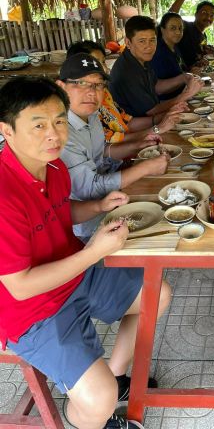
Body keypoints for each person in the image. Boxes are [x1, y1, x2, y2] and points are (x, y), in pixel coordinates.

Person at [0, 76, 171, 429]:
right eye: (39, 125)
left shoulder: (52, 166)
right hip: (31, 311)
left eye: (60, 121)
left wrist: (97, 206)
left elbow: (60, 212)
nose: (54, 134)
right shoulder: (4, 195)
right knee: (97, 401)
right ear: (7, 130)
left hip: (74, 271)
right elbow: (21, 286)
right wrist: (95, 252)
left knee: (157, 295)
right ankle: (95, 412)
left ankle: (113, 377)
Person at [57, 53, 171, 240]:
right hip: (88, 228)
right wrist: (145, 168)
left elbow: (101, 152)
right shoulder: (59, 131)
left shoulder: (91, 114)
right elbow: (89, 189)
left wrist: (137, 146)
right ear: (61, 86)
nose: (91, 92)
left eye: (98, 85)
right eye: (80, 83)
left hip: (115, 201)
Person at [66, 41, 182, 144]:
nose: (105, 69)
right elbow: (110, 143)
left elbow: (127, 122)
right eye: (142, 40)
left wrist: (166, 117)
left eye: (103, 62)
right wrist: (157, 129)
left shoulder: (104, 92)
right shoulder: (85, 107)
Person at [109, 16, 203, 118]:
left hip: (154, 118)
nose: (149, 46)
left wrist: (185, 77)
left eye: (152, 40)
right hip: (138, 128)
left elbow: (157, 87)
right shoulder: (127, 71)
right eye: (142, 41)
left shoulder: (141, 57)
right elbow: (151, 111)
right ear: (128, 42)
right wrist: (185, 95)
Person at [151, 12, 191, 100]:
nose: (178, 32)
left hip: (182, 95)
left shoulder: (174, 47)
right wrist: (184, 78)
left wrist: (192, 71)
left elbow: (181, 71)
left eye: (180, 28)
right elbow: (158, 88)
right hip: (167, 103)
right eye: (173, 28)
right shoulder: (158, 52)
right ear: (162, 29)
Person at [169, 0, 214, 70]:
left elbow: (198, 56)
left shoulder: (204, 36)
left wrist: (207, 53)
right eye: (204, 13)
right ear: (196, 14)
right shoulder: (186, 27)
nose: (208, 17)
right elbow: (169, 17)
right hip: (181, 75)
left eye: (212, 15)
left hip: (196, 74)